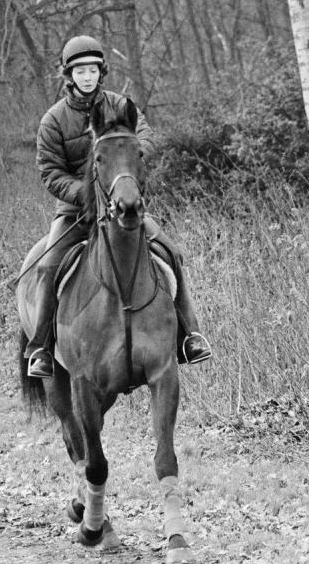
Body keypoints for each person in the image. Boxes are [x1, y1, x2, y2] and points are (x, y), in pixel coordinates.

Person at [24, 34, 213, 378]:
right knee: (47, 266)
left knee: (171, 252)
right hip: (76, 212)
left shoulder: (122, 106)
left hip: (124, 205)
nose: (87, 77)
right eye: (80, 71)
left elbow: (147, 138)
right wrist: (85, 192)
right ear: (69, 75)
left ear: (101, 72)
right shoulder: (53, 120)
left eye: (92, 70)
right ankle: (40, 348)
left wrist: (125, 174)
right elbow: (49, 172)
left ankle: (190, 335)